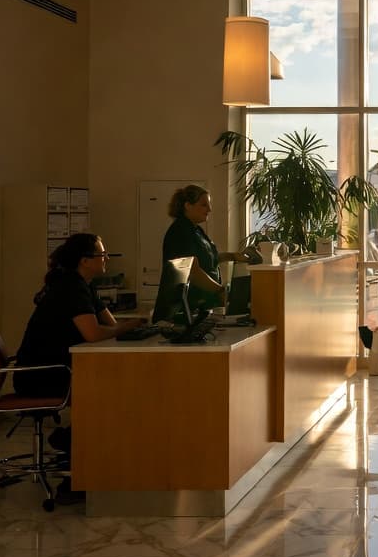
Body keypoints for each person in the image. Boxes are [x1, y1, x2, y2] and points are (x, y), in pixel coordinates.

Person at [13, 233, 147, 502]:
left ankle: (72, 442)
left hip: (59, 369)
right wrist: (130, 327)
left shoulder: (84, 285)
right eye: (101, 255)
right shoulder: (70, 287)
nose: (106, 258)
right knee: (111, 395)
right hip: (43, 375)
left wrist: (131, 326)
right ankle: (76, 473)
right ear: (85, 261)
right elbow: (94, 334)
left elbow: (108, 324)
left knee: (117, 388)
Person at [161, 185, 244, 312]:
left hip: (203, 305)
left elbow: (209, 259)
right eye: (204, 205)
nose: (209, 209)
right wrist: (220, 290)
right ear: (188, 206)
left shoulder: (196, 230)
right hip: (186, 307)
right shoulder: (180, 231)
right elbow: (192, 270)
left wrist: (233, 256)